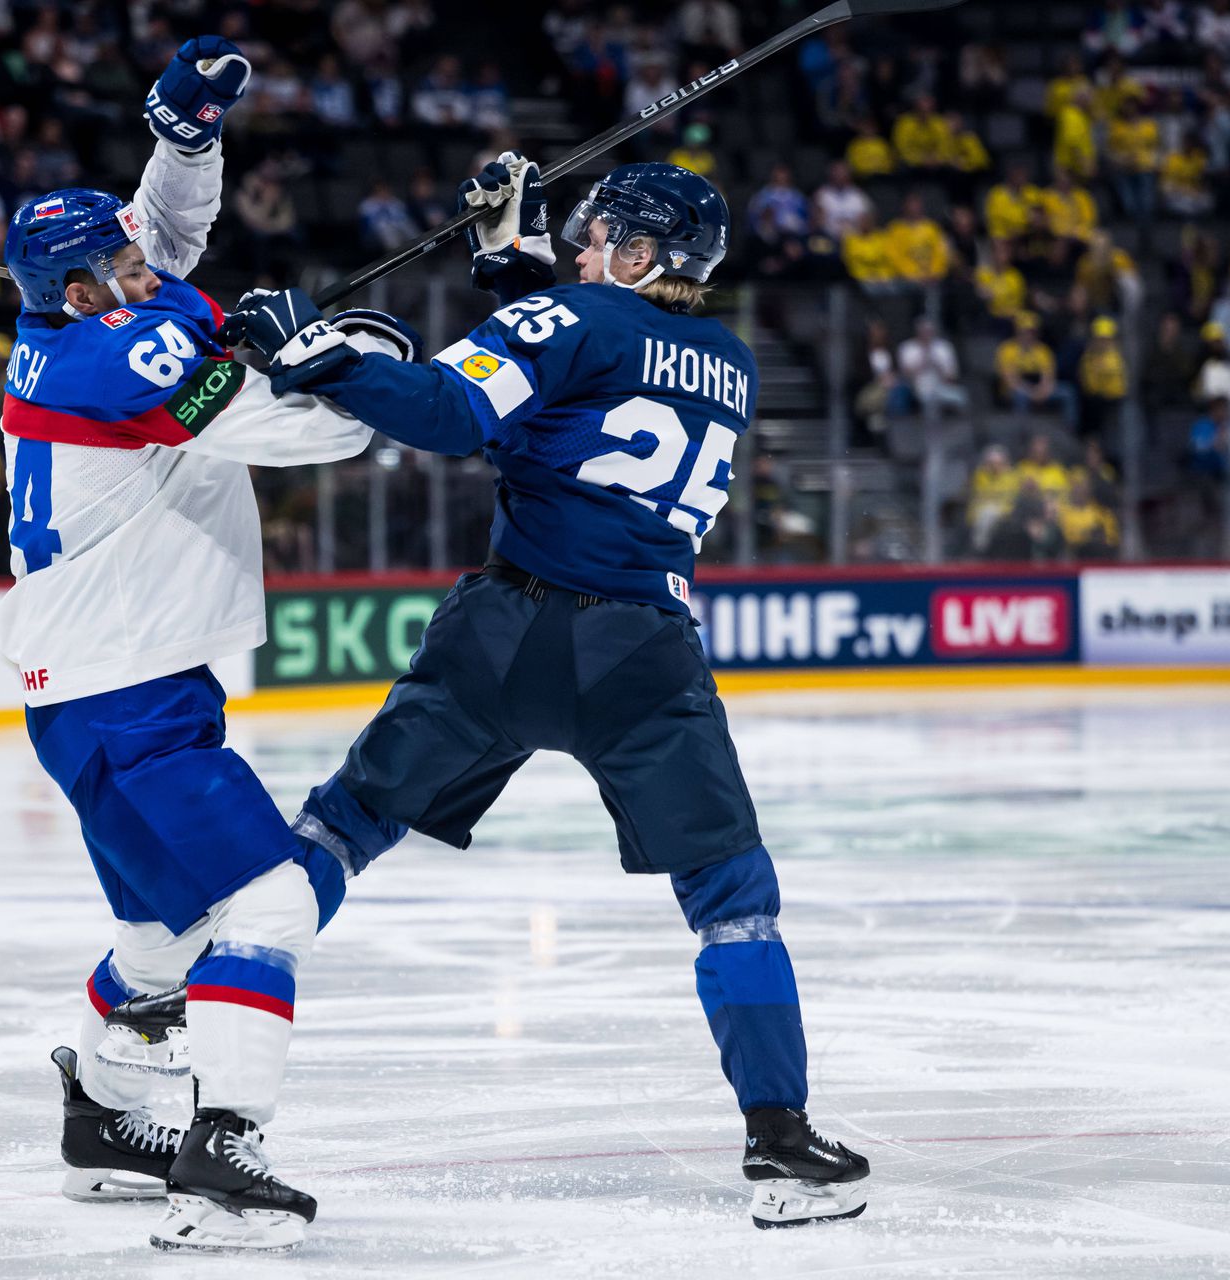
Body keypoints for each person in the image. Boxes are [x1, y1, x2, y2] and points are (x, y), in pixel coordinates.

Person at [221, 156, 872, 1229]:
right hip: (643, 659)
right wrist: (502, 266)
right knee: (734, 900)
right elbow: (591, 360)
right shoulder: (730, 359)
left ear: (644, 253)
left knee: (341, 829)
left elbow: (449, 408)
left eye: (598, 234)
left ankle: (218, 1063)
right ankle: (780, 1139)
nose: (577, 248)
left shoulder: (575, 316)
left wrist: (312, 354)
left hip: (506, 637)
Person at [0, 39, 417, 1252]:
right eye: (115, 265)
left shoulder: (94, 315)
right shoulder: (117, 350)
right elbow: (287, 432)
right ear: (77, 292)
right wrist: (350, 359)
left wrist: (186, 139)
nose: (144, 265)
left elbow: (171, 248)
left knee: (159, 939)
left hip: (75, 688)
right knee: (270, 901)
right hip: (132, 681)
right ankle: (223, 1152)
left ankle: (103, 1117)